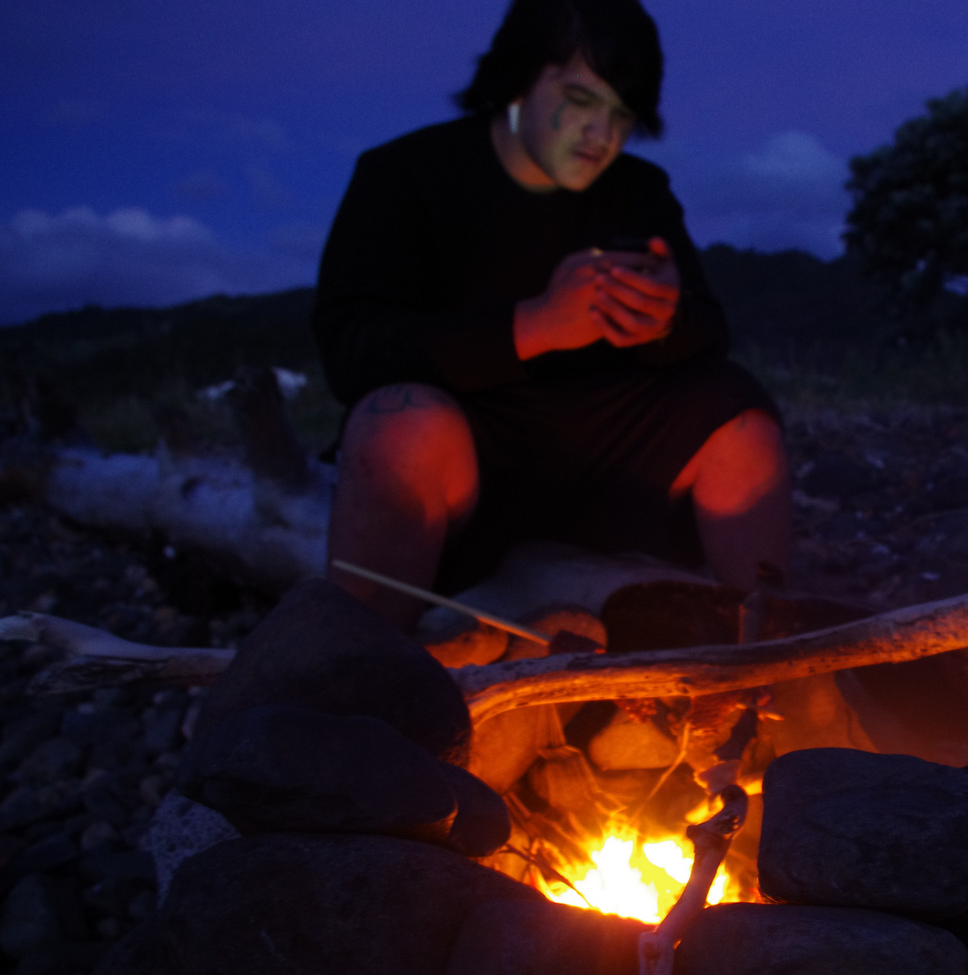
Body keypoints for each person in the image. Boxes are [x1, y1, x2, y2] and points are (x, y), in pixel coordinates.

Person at [314, 0, 790, 630]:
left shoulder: (638, 189)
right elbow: (353, 348)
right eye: (580, 100)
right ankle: (360, 670)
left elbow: (709, 331)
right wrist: (531, 326)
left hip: (609, 450)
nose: (602, 135)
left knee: (740, 415)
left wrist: (663, 320)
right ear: (518, 81)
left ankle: (771, 655)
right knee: (394, 422)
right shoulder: (403, 175)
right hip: (471, 450)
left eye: (621, 115)